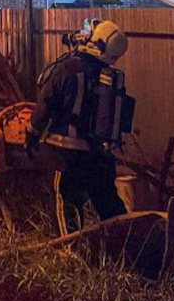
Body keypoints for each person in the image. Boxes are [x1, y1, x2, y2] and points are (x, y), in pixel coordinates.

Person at [24, 19, 134, 236]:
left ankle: (71, 252)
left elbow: (45, 104)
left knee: (68, 203)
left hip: (67, 155)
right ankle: (128, 243)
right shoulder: (109, 77)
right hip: (98, 154)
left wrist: (31, 134)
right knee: (108, 203)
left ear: (96, 42)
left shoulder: (67, 68)